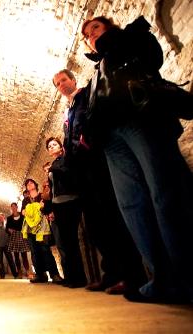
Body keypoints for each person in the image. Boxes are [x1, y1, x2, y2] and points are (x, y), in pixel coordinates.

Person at [81, 16, 193, 303]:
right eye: (86, 34)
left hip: (140, 115)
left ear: (109, 26)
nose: (90, 35)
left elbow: (152, 58)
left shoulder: (130, 36)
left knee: (166, 193)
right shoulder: (96, 73)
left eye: (94, 27)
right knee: (132, 205)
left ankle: (186, 276)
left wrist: (110, 41)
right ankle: (161, 279)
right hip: (111, 137)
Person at [52, 69, 146, 295]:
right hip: (82, 174)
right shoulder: (68, 111)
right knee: (96, 227)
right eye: (57, 84)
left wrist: (85, 143)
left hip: (97, 165)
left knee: (112, 218)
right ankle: (111, 273)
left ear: (73, 80)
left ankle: (133, 275)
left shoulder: (87, 96)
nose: (61, 85)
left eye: (63, 79)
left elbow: (93, 122)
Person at [46, 137, 87, 288]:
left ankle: (79, 278)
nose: (51, 147)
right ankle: (70, 276)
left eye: (54, 144)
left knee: (72, 241)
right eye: (49, 146)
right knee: (65, 242)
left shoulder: (66, 159)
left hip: (70, 201)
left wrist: (52, 170)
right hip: (58, 205)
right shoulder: (54, 165)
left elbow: (69, 176)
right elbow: (52, 190)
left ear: (61, 146)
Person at [21, 179, 63, 284]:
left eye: (31, 183)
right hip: (30, 230)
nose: (29, 185)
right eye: (27, 184)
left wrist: (31, 209)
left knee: (45, 250)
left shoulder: (42, 196)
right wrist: (37, 206)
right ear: (26, 188)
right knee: (35, 252)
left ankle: (54, 274)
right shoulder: (25, 200)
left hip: (42, 229)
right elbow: (23, 212)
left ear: (35, 185)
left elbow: (45, 209)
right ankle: (40, 274)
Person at [6, 203, 30, 278]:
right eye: (12, 207)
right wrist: (9, 230)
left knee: (24, 255)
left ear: (17, 207)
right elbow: (6, 228)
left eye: (14, 207)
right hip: (14, 237)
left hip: (22, 236)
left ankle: (27, 271)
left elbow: (26, 225)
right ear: (11, 208)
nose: (13, 208)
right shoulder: (9, 218)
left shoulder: (23, 217)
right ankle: (19, 272)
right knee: (16, 256)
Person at [0, 213, 18, 279]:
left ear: (4, 218)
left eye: (1, 217)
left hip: (7, 245)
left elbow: (12, 234)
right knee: (0, 261)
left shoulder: (8, 225)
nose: (0, 219)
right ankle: (2, 275)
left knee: (10, 260)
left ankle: (15, 274)